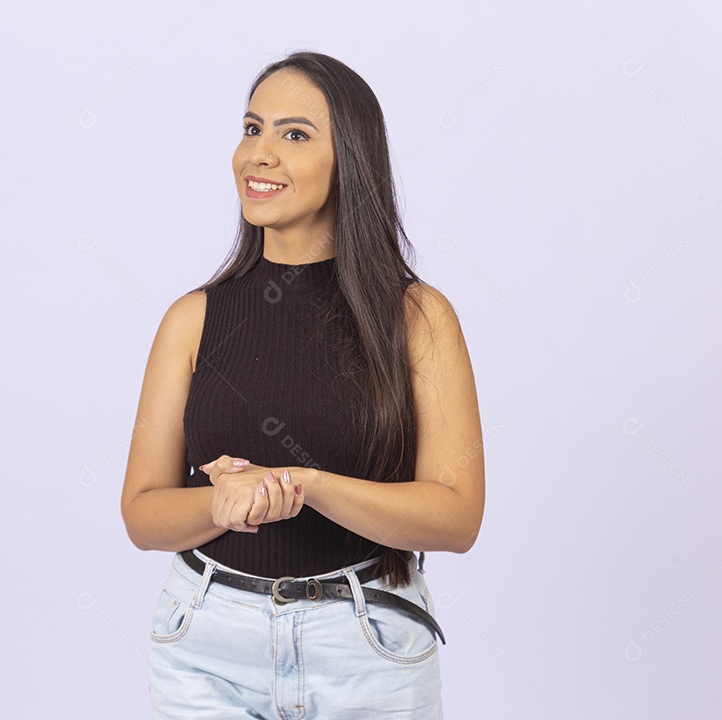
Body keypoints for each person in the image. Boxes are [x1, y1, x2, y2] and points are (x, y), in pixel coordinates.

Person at [120, 50, 484, 719]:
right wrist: (221, 503)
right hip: (206, 645)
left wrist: (305, 486)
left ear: (350, 159)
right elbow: (142, 512)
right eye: (252, 128)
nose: (260, 154)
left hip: (366, 647)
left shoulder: (418, 319)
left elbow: (456, 518)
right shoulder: (192, 320)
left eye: (293, 135)